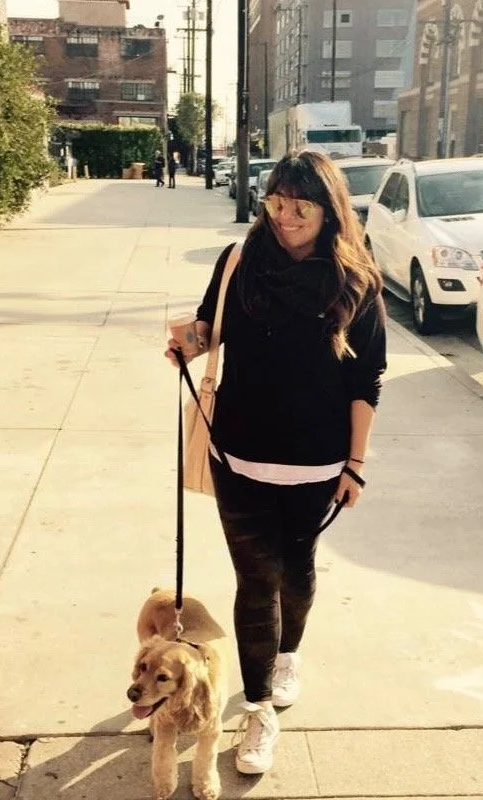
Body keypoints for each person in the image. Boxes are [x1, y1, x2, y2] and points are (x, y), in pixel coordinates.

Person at [164, 150, 387, 775]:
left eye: (301, 207)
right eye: (277, 203)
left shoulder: (356, 277)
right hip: (237, 451)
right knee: (255, 583)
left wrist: (355, 463)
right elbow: (211, 327)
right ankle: (258, 709)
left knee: (297, 570)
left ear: (329, 210)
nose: (285, 218)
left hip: (316, 463)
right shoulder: (240, 259)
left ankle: (290, 654)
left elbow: (366, 378)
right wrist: (188, 342)